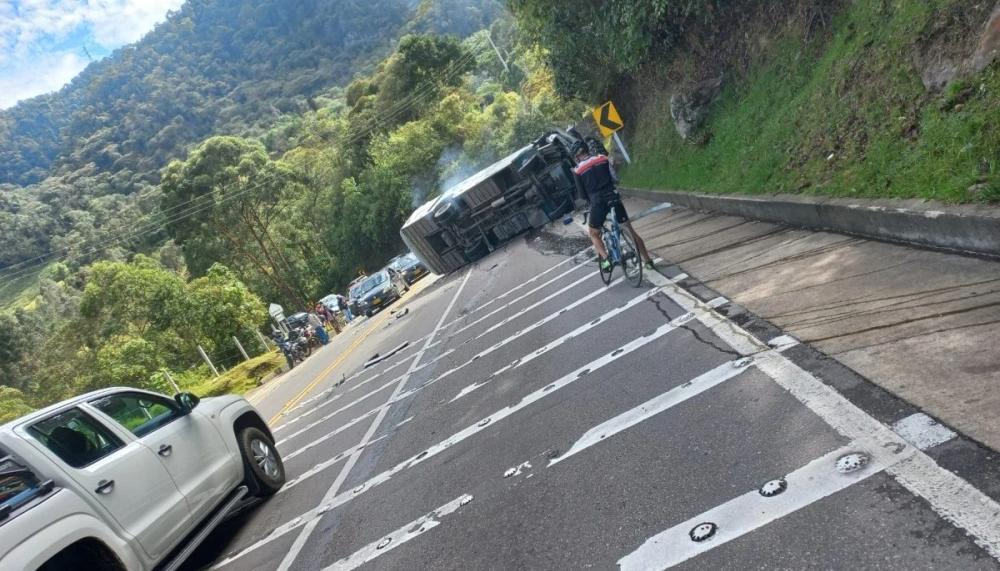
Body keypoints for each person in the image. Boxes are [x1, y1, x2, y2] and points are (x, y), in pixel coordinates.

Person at [571, 140, 654, 271]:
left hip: (597, 203)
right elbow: (615, 178)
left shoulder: (577, 171)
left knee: (593, 233)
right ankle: (648, 261)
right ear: (587, 150)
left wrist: (591, 202)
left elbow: (582, 195)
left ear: (576, 157)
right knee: (631, 231)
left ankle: (606, 259)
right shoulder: (602, 159)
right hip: (613, 197)